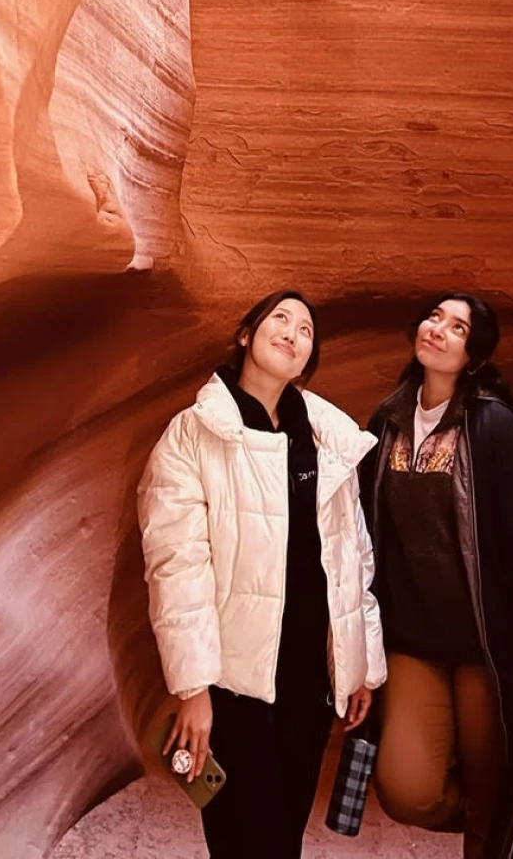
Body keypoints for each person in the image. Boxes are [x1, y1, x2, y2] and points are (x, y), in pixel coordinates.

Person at [138, 289, 386, 859]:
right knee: (240, 835)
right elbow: (177, 567)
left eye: (306, 329)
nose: (293, 332)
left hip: (307, 675)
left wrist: (362, 665)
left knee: (284, 834)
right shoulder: (193, 436)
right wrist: (194, 689)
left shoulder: (330, 440)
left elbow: (355, 560)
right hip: (232, 679)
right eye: (280, 318)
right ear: (246, 335)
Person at [363, 292, 513, 859]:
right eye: (435, 317)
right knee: (407, 790)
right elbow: (362, 542)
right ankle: (499, 822)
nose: (439, 330)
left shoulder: (498, 430)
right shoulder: (385, 423)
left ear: (474, 356)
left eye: (458, 328)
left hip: (487, 647)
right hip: (413, 644)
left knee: (491, 788)